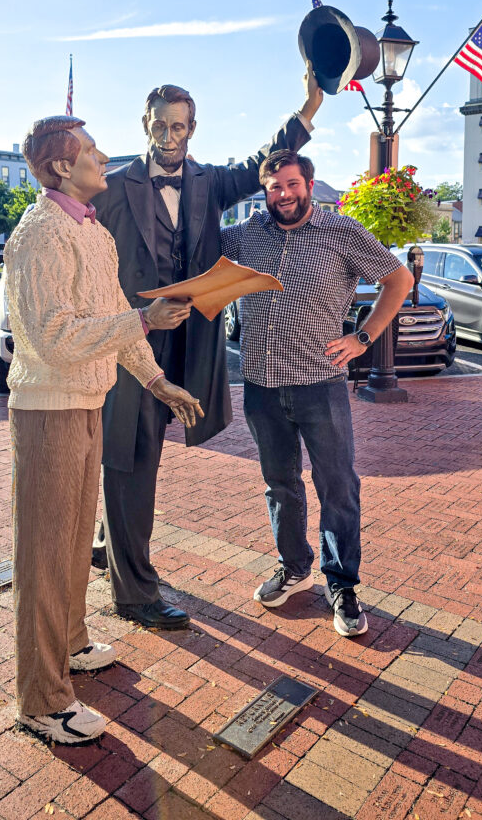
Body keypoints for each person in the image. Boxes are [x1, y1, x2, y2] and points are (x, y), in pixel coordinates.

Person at [91, 70, 323, 629]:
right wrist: (128, 320)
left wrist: (309, 106)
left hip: (190, 346)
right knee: (130, 455)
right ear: (144, 124)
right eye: (160, 125)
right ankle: (134, 593)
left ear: (192, 128)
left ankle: (107, 542)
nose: (170, 135)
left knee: (144, 455)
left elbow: (263, 162)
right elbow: (91, 264)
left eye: (180, 125)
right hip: (131, 341)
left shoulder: (209, 182)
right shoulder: (113, 186)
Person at [6, 115, 203, 744]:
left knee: (70, 543)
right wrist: (142, 323)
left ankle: (71, 641)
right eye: (90, 151)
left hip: (89, 400)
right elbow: (54, 337)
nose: (103, 157)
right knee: (44, 553)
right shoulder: (40, 234)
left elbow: (116, 318)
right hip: (48, 409)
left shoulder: (91, 231)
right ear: (63, 167)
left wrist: (154, 381)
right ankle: (41, 699)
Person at [220, 149, 413, 637]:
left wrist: (363, 338)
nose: (283, 195)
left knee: (337, 487)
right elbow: (191, 247)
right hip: (261, 386)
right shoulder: (246, 234)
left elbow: (399, 279)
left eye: (291, 184)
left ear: (309, 183)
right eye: (273, 187)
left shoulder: (340, 231)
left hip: (319, 384)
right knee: (280, 485)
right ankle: (293, 566)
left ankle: (342, 585)